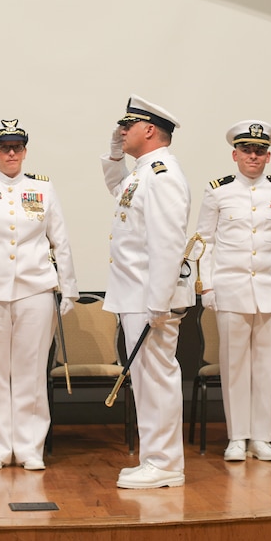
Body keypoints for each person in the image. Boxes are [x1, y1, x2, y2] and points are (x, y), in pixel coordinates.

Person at [0, 119, 78, 471]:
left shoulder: (43, 189)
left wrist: (68, 287)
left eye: (17, 147)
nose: (11, 153)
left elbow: (60, 241)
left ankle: (28, 446)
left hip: (35, 287)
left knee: (31, 370)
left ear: (25, 151)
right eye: (4, 147)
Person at [194, 120, 271, 462]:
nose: (253, 156)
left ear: (268, 157)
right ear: (234, 154)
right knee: (234, 365)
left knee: (266, 366)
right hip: (230, 289)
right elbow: (204, 242)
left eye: (259, 151)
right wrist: (207, 286)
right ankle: (237, 437)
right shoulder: (218, 191)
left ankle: (262, 438)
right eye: (247, 150)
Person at [102, 95, 195, 489]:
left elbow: (168, 245)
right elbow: (115, 186)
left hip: (150, 300)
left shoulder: (162, 175)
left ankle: (166, 463)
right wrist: (113, 152)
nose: (122, 131)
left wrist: (159, 304)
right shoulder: (141, 173)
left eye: (128, 126)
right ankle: (155, 458)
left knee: (156, 379)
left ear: (150, 130)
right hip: (136, 296)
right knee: (146, 381)